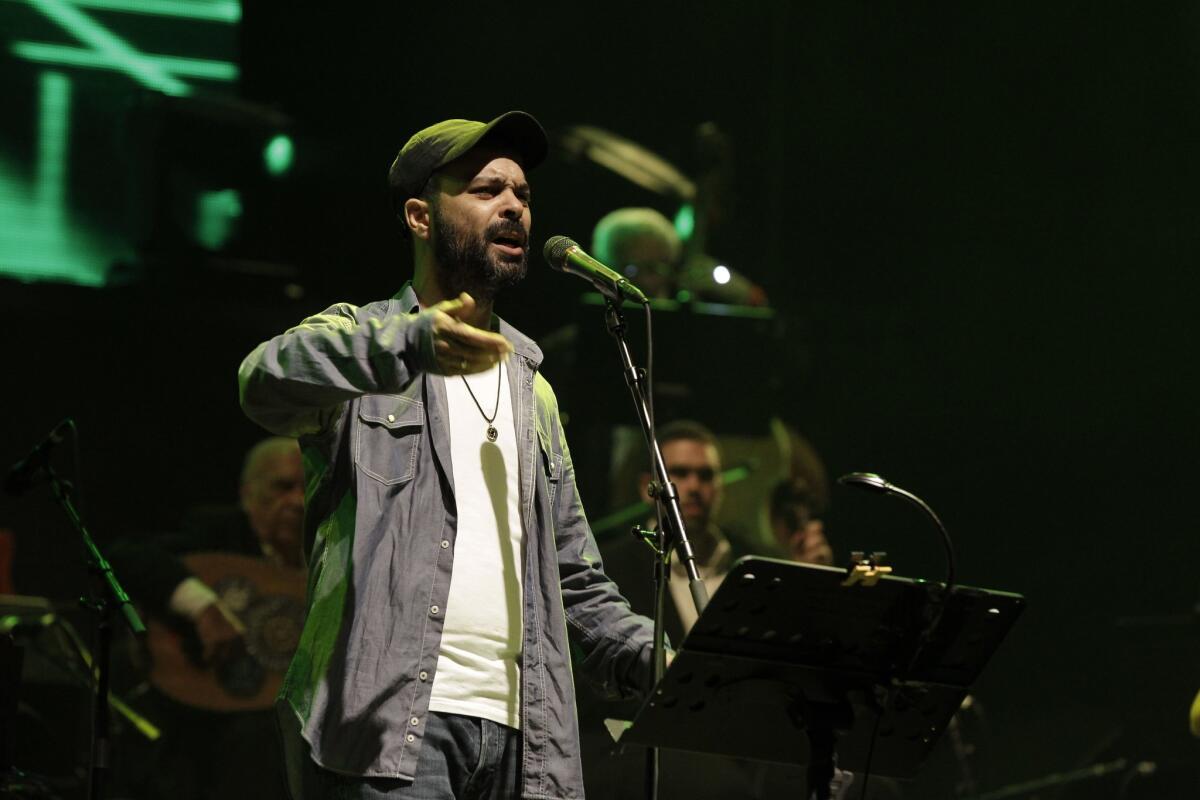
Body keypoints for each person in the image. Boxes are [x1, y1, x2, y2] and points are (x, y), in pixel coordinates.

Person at [237, 111, 656, 800]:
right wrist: (405, 345)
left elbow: (577, 581)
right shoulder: (361, 338)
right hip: (389, 727)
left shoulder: (536, 393)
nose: (515, 205)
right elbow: (263, 382)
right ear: (420, 216)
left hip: (528, 741)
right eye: (488, 189)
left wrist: (669, 660)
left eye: (523, 193)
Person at [110, 436, 304, 800]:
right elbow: (128, 555)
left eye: (308, 488)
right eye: (282, 487)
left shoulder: (331, 551)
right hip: (209, 734)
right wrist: (202, 606)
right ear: (248, 492)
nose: (297, 501)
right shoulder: (218, 532)